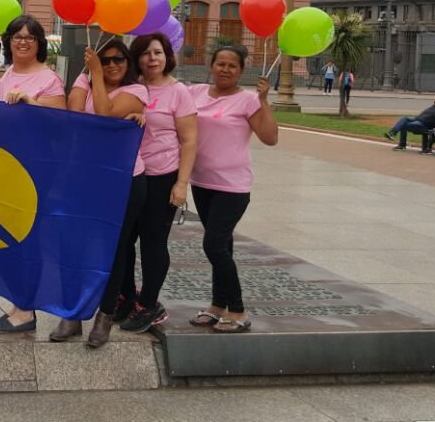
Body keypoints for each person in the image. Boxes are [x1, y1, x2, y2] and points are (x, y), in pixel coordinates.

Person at [60, 38, 148, 348]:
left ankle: (105, 315)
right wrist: (88, 74)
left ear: (129, 63)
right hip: (85, 178)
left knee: (114, 249)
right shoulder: (85, 79)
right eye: (105, 60)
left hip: (125, 179)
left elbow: (104, 112)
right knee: (74, 246)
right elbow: (77, 117)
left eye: (118, 60)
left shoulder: (138, 92)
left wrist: (95, 73)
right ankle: (71, 313)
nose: (111, 65)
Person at [0, 15, 67, 336]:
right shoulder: (6, 76)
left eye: (30, 37)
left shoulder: (48, 79)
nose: (22, 41)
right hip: (2, 169)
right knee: (0, 237)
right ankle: (19, 301)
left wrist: (32, 102)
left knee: (25, 240)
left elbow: (59, 124)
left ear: (39, 44)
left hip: (34, 171)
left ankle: (26, 308)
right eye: (16, 36)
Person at [188, 45, 278, 334]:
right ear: (211, 65)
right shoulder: (196, 93)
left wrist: (264, 101)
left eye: (232, 66)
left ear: (241, 70)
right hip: (201, 182)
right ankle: (217, 306)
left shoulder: (248, 100)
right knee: (222, 246)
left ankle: (238, 310)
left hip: (233, 186)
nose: (225, 69)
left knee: (213, 245)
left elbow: (270, 138)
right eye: (221, 64)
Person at [116, 33, 197, 335]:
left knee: (152, 242)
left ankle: (149, 304)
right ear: (136, 58)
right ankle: (125, 296)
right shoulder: (131, 89)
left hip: (163, 175)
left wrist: (181, 183)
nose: (152, 58)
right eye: (146, 53)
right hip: (130, 174)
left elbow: (189, 140)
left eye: (158, 52)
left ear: (167, 57)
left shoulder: (179, 92)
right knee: (123, 241)